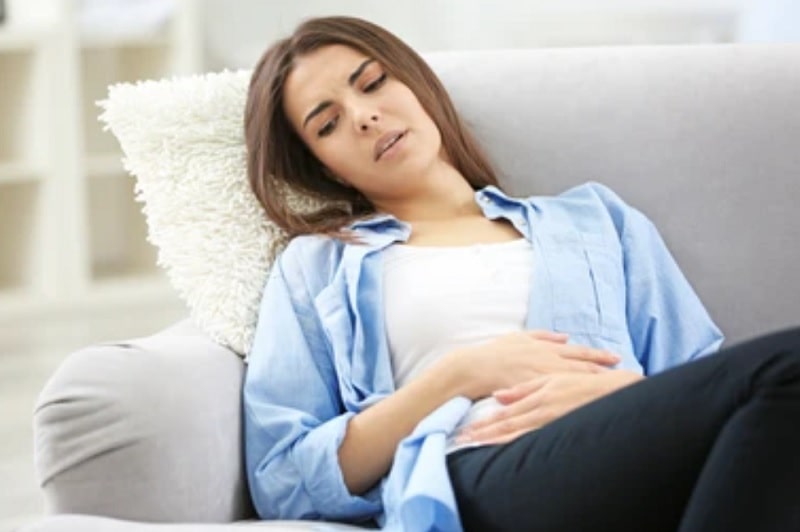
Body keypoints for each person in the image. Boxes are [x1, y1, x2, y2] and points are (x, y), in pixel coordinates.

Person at [242, 15, 800, 532]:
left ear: (415, 84)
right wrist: (457, 376)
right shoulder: (318, 265)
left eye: (372, 83)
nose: (364, 116)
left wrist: (622, 393)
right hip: (478, 473)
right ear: (323, 165)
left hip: (630, 450)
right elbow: (282, 479)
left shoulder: (596, 221)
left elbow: (705, 382)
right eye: (329, 124)